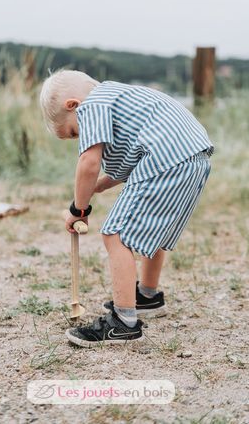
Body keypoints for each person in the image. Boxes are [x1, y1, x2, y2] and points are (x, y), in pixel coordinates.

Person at [39, 69, 214, 348]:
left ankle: (123, 323)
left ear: (72, 105)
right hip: (194, 156)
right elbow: (134, 156)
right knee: (154, 228)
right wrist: (103, 184)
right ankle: (147, 296)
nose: (79, 138)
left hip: (167, 161)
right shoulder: (119, 98)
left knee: (115, 234)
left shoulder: (92, 105)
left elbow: (88, 162)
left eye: (73, 132)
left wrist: (78, 209)